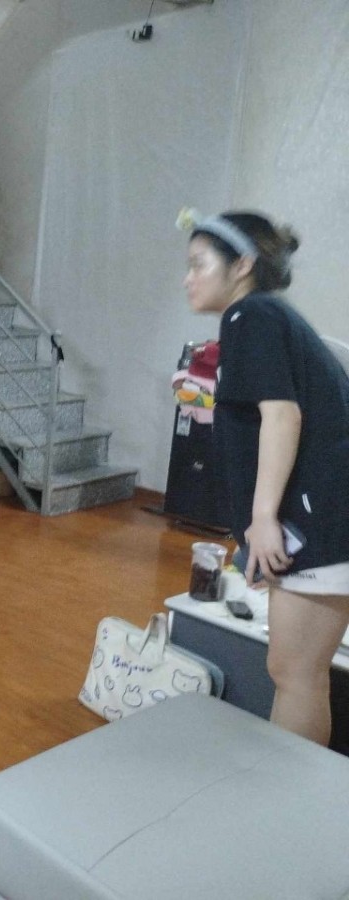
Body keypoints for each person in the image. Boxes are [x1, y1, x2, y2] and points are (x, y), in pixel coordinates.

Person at [185, 210, 349, 745]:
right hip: (321, 517)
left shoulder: (249, 315)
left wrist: (262, 519)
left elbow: (283, 416)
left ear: (242, 266)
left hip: (323, 521)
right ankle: (286, 783)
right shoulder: (269, 318)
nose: (188, 278)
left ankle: (291, 789)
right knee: (294, 671)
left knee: (297, 674)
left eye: (199, 265)